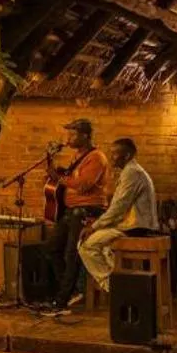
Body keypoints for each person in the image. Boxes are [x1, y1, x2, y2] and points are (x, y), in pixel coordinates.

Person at [75, 137, 159, 301]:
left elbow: (118, 208)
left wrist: (94, 226)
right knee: (105, 247)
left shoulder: (131, 173)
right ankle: (122, 284)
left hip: (136, 227)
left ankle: (116, 289)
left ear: (126, 156)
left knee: (86, 245)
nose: (111, 157)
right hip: (131, 225)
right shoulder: (132, 171)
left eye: (115, 154)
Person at [46, 118, 111, 308]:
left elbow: (83, 185)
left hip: (87, 211)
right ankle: (73, 291)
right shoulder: (77, 157)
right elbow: (68, 181)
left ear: (85, 136)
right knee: (51, 248)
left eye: (73, 134)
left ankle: (62, 299)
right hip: (71, 211)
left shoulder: (96, 157)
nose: (69, 138)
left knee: (71, 254)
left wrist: (59, 178)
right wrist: (51, 164)